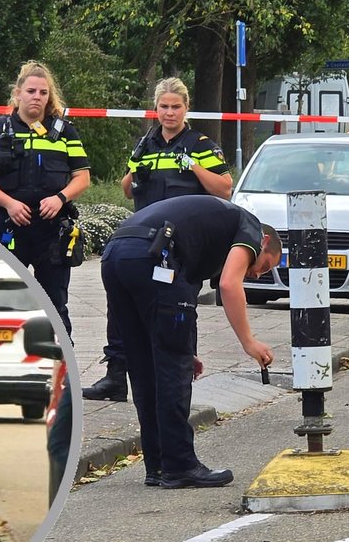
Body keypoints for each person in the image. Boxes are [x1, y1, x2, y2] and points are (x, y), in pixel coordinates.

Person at [100, 195, 281, 488]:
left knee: (143, 364)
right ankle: (179, 465)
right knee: (173, 370)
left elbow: (183, 304)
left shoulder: (205, 240)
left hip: (116, 256)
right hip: (154, 255)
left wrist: (188, 350)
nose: (257, 274)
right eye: (266, 265)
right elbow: (229, 285)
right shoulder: (251, 225)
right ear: (265, 242)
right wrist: (249, 342)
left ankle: (157, 466)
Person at [83, 77, 232, 402]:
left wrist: (193, 167)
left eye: (175, 107)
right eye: (164, 106)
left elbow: (224, 188)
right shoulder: (145, 144)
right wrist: (134, 172)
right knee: (121, 307)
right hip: (143, 241)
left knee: (178, 307)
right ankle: (115, 377)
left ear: (186, 108)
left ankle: (181, 375)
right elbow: (126, 189)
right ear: (156, 108)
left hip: (182, 245)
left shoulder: (200, 144)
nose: (169, 113)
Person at [0, 61, 90, 336]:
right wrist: (9, 203)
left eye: (43, 92)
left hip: (52, 233)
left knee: (54, 306)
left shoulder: (64, 132)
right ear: (18, 93)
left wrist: (60, 198)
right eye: (31, 91)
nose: (37, 97)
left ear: (49, 96)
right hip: (9, 228)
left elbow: (82, 177)